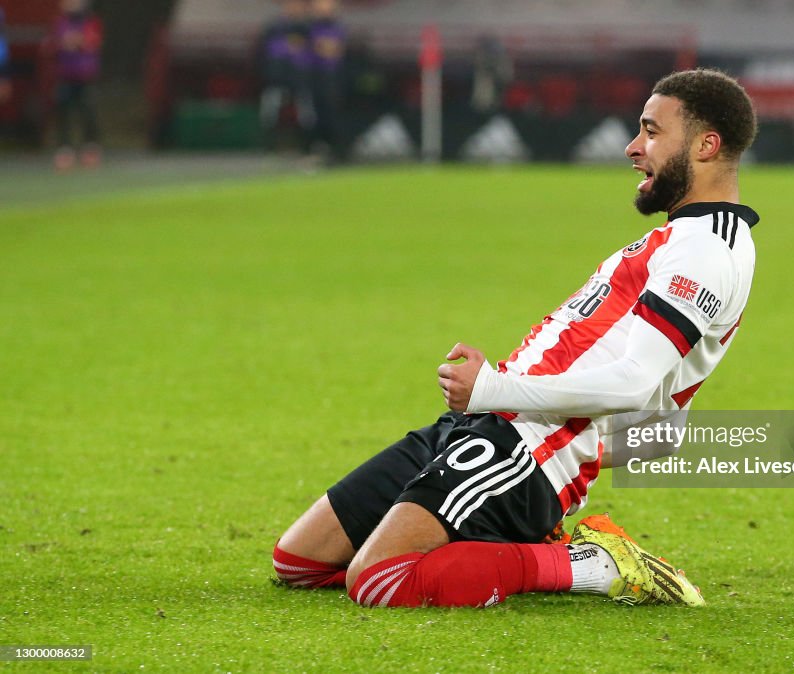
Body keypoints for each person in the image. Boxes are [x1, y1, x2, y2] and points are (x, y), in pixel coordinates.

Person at [274, 69, 759, 608]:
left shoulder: (707, 251)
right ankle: (499, 543)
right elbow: (667, 426)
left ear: (706, 145)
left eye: (650, 131)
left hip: (526, 447)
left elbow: (633, 385)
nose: (633, 146)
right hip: (488, 425)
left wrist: (494, 392)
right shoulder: (682, 237)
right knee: (300, 562)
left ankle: (586, 564)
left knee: (381, 579)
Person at [49, 0, 104, 171]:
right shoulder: (60, 23)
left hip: (85, 76)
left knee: (88, 111)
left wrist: (76, 42)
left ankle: (90, 147)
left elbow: (91, 42)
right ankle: (65, 149)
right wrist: (68, 43)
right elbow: (56, 44)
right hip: (65, 75)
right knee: (63, 113)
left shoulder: (91, 21)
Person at [257, 0, 314, 153]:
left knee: (306, 113)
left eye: (297, 5)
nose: (294, 8)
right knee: (270, 111)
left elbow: (312, 55)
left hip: (300, 79)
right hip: (277, 77)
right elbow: (265, 53)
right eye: (290, 4)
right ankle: (267, 146)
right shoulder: (274, 27)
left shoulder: (307, 28)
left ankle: (306, 145)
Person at [306, 0, 346, 160]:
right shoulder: (309, 27)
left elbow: (334, 50)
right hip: (312, 76)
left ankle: (335, 150)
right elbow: (315, 46)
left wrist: (324, 47)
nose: (324, 8)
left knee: (332, 113)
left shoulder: (337, 28)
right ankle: (314, 148)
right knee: (313, 114)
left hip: (331, 77)